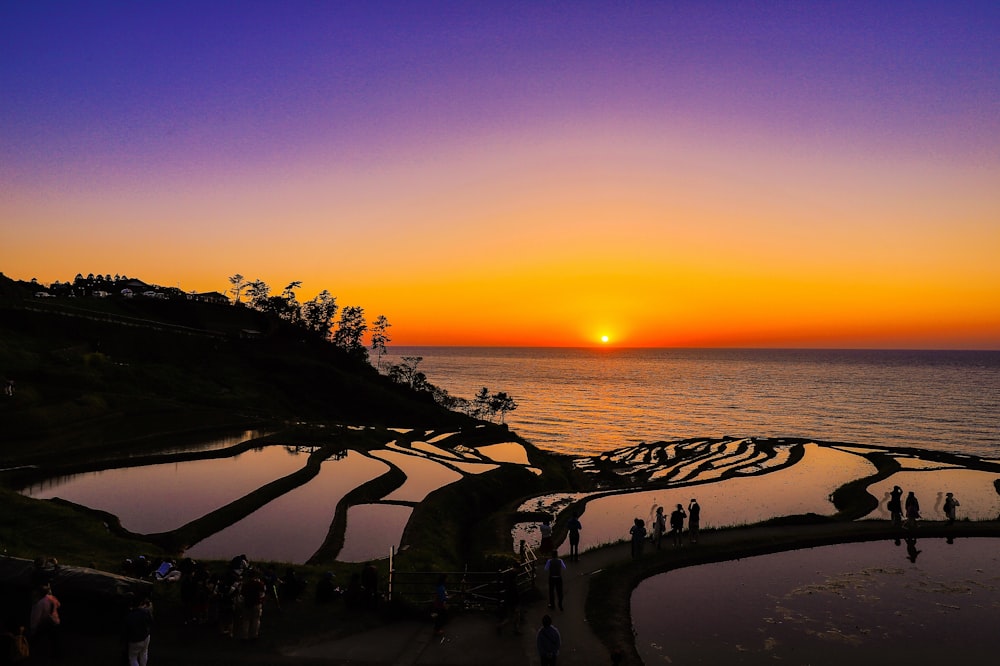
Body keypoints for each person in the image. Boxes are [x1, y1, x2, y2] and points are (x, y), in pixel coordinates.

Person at [29, 583, 61, 661]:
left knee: (36, 638)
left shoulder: (40, 603)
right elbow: (59, 605)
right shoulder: (51, 598)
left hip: (46, 623)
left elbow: (36, 617)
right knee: (54, 640)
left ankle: (28, 651)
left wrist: (33, 628)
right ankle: (55, 656)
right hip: (55, 621)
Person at [124, 594, 153, 666]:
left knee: (133, 657)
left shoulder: (130, 615)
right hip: (146, 636)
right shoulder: (146, 612)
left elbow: (127, 628)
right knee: (144, 652)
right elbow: (151, 622)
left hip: (135, 639)